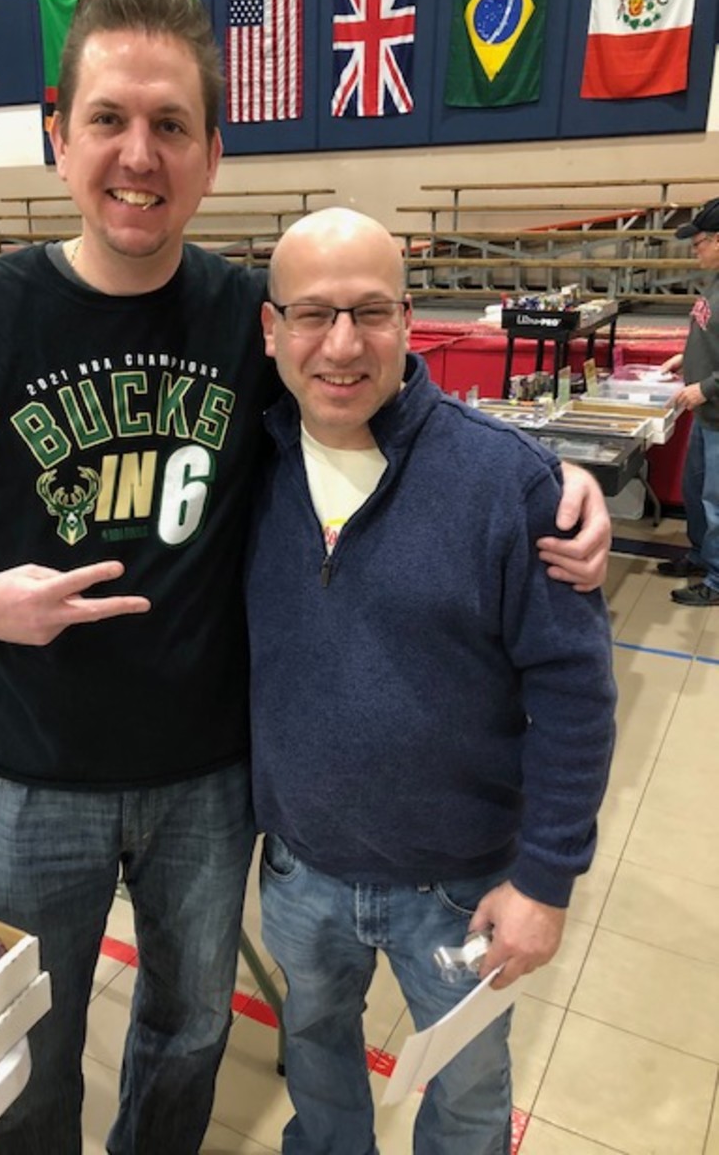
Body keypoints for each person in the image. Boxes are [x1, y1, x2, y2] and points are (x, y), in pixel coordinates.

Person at [0, 0, 610, 1155]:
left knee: (191, 1029)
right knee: (32, 1041)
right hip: (29, 776)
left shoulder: (252, 318)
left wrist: (548, 484)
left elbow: (375, 385)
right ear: (60, 137)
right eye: (108, 119)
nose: (137, 155)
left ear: (212, 153)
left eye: (169, 126)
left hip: (210, 785)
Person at [246, 208, 617, 1155]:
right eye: (312, 315)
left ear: (409, 319)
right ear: (270, 328)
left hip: (458, 888)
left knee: (467, 1093)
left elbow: (575, 696)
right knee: (318, 1056)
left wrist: (546, 880)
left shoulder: (511, 484)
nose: (341, 345)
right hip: (301, 869)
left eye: (369, 312)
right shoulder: (243, 465)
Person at [653, 197, 719, 606]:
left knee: (716, 502)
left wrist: (707, 387)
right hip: (705, 412)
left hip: (715, 409)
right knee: (695, 491)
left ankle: (717, 580)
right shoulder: (714, 279)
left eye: (699, 242)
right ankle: (700, 557)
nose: (695, 249)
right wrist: (686, 358)